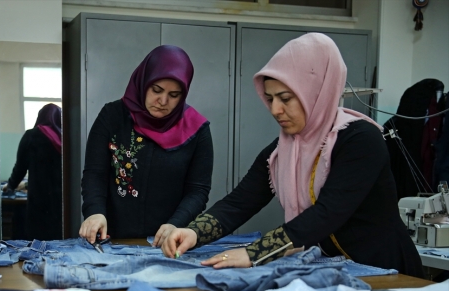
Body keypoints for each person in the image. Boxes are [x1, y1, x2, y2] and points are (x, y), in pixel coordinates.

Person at [161, 33, 424, 277]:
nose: (275, 109)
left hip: (385, 271)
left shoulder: (361, 140)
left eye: (285, 98)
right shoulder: (283, 150)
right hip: (335, 270)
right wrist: (194, 233)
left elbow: (327, 213)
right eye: (270, 99)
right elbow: (240, 202)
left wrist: (256, 252)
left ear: (315, 91)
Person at [79, 45, 213, 245]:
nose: (163, 101)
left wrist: (176, 224)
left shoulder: (197, 129)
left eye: (174, 95)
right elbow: (95, 173)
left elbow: (198, 190)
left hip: (168, 241)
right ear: (143, 82)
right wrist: (94, 211)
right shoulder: (113, 116)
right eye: (156, 90)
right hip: (111, 238)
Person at [3, 103, 63, 240]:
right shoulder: (64, 138)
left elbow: (20, 168)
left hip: (39, 198)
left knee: (37, 238)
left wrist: (11, 186)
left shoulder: (31, 136)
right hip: (61, 200)